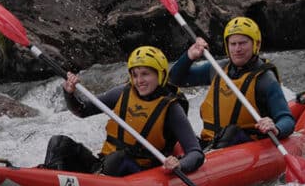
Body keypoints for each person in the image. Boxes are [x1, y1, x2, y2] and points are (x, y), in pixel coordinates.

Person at [40, 46, 205, 177]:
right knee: (59, 143)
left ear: (160, 75)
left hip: (138, 173)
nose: (139, 81)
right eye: (135, 75)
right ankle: (49, 182)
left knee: (119, 158)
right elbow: (82, 110)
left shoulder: (172, 108)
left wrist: (179, 164)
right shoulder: (122, 93)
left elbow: (196, 153)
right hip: (104, 164)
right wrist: (69, 93)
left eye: (145, 74)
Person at [169, 17, 294, 149]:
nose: (237, 49)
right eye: (233, 44)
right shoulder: (217, 69)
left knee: (231, 133)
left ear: (255, 44)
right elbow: (176, 79)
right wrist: (189, 56)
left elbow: (287, 119)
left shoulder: (265, 79)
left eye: (242, 43)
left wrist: (275, 128)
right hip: (210, 143)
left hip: (244, 145)